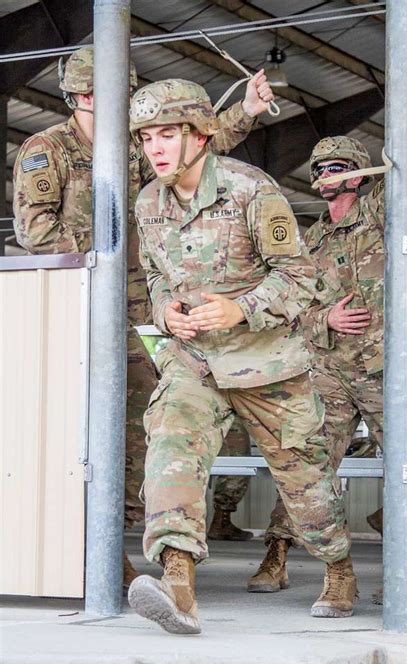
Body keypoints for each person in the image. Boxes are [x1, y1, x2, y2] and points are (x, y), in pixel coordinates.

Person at [12, 47, 276, 587]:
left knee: (143, 420)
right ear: (80, 96)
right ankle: (79, 543)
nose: (106, 104)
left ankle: (120, 540)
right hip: (81, 301)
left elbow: (200, 144)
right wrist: (122, 245)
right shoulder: (48, 150)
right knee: (72, 422)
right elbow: (34, 232)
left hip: (142, 307)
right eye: (98, 96)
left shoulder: (134, 146)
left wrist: (246, 108)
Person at [127, 78, 354, 635]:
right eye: (146, 137)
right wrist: (165, 311)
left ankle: (339, 567)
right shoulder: (148, 202)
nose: (154, 148)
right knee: (172, 447)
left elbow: (303, 278)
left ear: (201, 133)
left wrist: (241, 309)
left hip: (267, 362)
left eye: (167, 134)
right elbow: (156, 276)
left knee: (306, 483)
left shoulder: (252, 190)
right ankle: (177, 582)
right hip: (194, 361)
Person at [248, 107, 407, 611]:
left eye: (338, 167)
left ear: (358, 173)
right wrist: (322, 319)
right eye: (321, 169)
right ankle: (283, 556)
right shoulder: (308, 242)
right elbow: (287, 307)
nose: (328, 175)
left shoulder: (380, 215)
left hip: (385, 370)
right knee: (306, 465)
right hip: (327, 370)